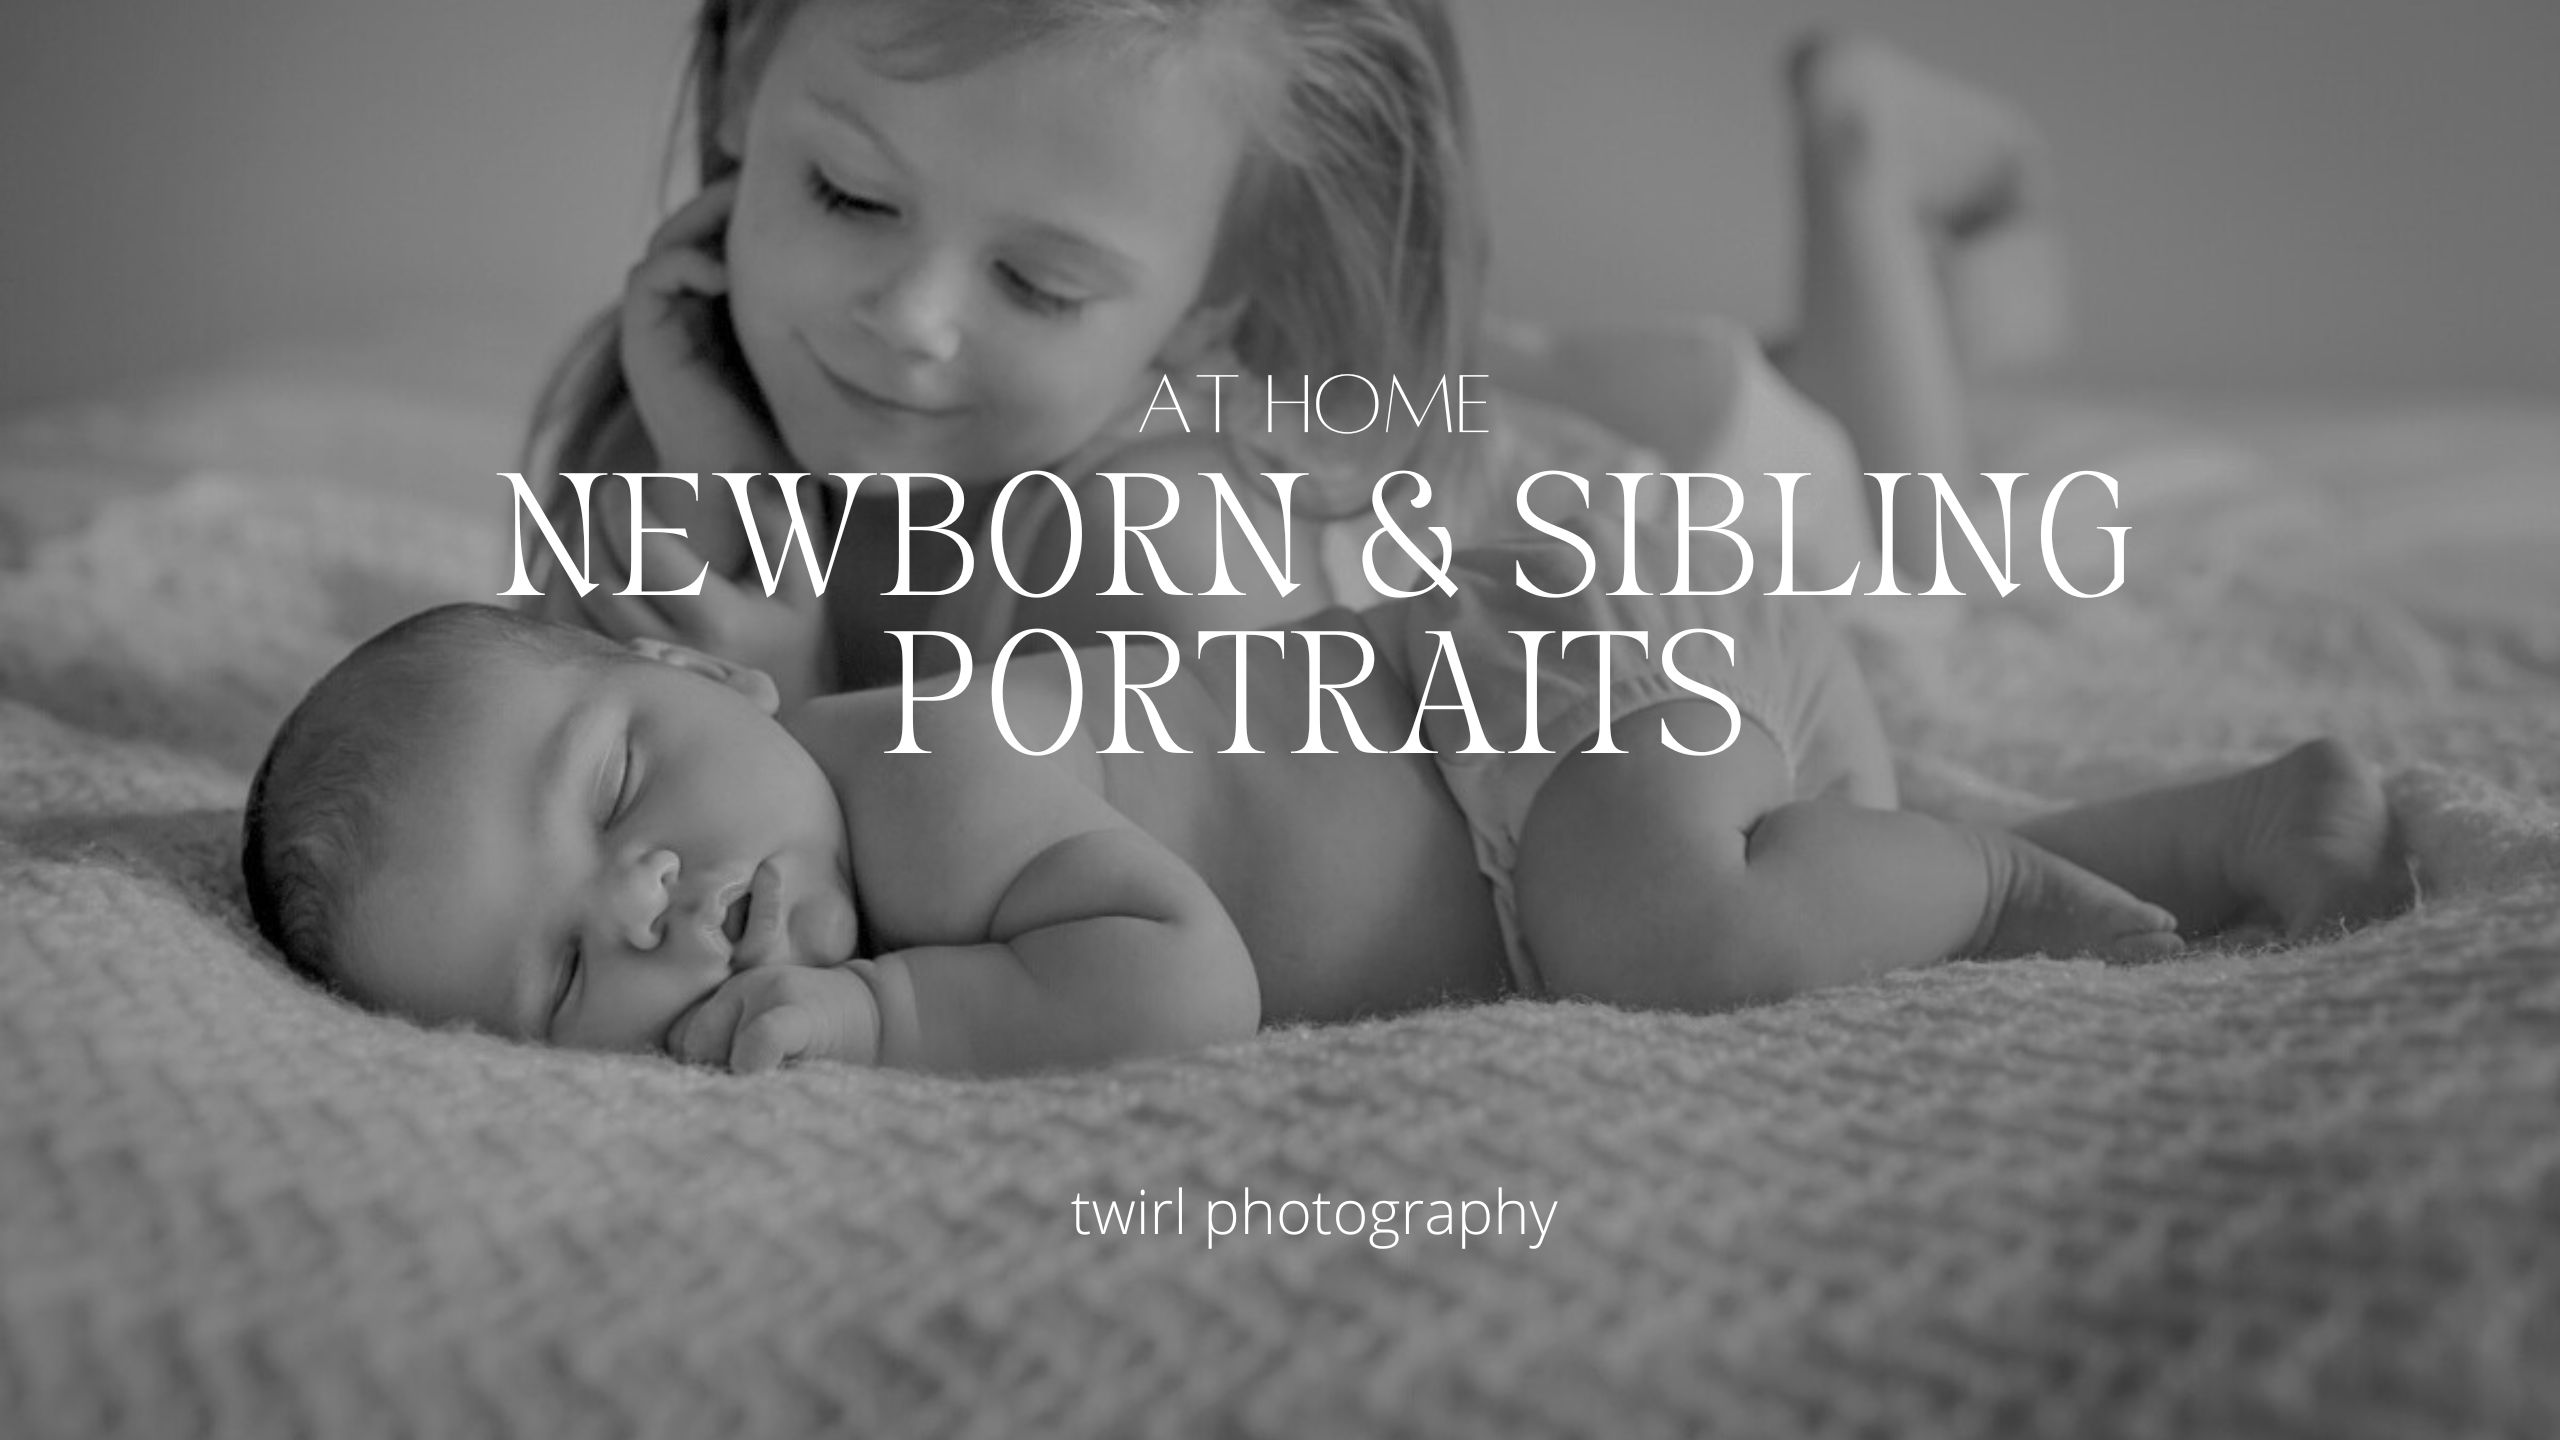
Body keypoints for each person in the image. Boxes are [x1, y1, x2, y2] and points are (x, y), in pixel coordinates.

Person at [242, 524, 2408, 1075]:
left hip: (1533, 706)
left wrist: (891, 1032)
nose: (642, 899)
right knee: (1703, 907)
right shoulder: (855, 866)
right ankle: (2222, 822)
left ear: (710, 675)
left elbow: (1174, 983)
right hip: (1555, 792)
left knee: (1672, 944)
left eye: (612, 781)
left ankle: (2048, 893)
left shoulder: (905, 766)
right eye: (547, 973)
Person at [521, 0, 2064, 704]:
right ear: (739, 77)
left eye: (1042, 283)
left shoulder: (1155, 549)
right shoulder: (692, 380)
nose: (909, 316)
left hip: (1664, 500)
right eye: (848, 194)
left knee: (1921, 567)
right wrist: (722, 473)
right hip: (1451, 418)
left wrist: (781, 653)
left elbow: (1003, 834)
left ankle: (1861, 142)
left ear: (1208, 305)